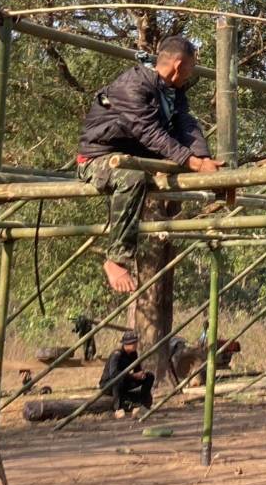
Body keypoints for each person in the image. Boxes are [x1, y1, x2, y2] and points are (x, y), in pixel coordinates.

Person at [77, 36, 221, 293]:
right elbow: (149, 133)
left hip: (136, 160)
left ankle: (217, 182)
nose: (190, 75)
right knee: (130, 178)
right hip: (97, 158)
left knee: (154, 170)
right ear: (178, 65)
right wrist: (193, 163)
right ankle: (116, 258)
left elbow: (185, 124)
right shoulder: (133, 85)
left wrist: (204, 157)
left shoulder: (172, 92)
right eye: (191, 67)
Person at [99, 330, 155, 417]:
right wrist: (133, 376)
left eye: (135, 342)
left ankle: (143, 404)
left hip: (125, 381)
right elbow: (114, 374)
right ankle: (117, 408)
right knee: (118, 380)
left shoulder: (134, 354)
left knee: (149, 376)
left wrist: (141, 375)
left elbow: (137, 370)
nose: (136, 344)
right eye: (133, 343)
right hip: (109, 384)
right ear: (126, 344)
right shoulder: (116, 354)